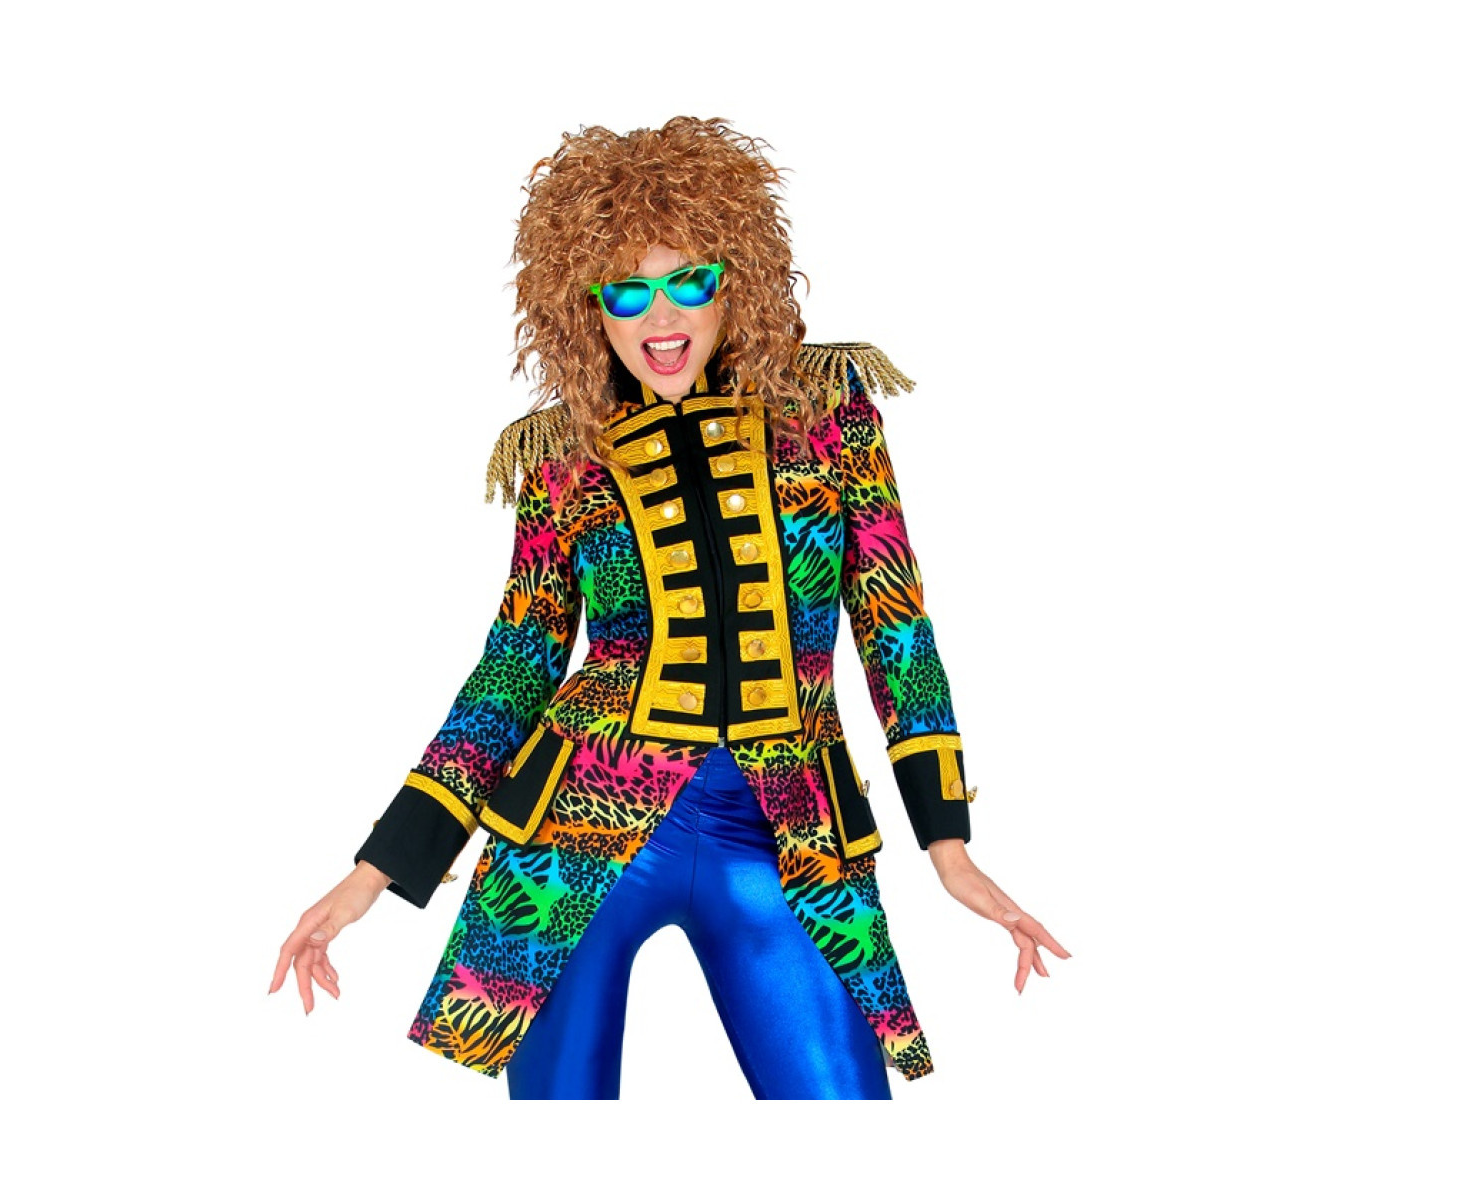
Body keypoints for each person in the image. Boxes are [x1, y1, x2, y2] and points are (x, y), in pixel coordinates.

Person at [270, 115, 1069, 1100]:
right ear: (586, 307)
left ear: (738, 281)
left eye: (689, 280)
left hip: (790, 830)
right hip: (572, 842)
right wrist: (373, 873)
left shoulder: (830, 416)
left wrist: (947, 845)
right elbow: (515, 668)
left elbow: (895, 625)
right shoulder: (560, 458)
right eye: (626, 289)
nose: (661, 315)